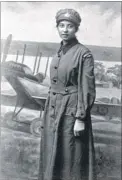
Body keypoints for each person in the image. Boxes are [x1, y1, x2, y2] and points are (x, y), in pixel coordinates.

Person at [39, 8, 96, 180]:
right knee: (52, 151)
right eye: (61, 25)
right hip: (53, 110)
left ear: (76, 29)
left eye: (70, 26)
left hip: (71, 110)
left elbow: (87, 88)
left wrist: (80, 118)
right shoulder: (58, 52)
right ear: (57, 28)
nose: (64, 29)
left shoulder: (84, 54)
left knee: (71, 153)